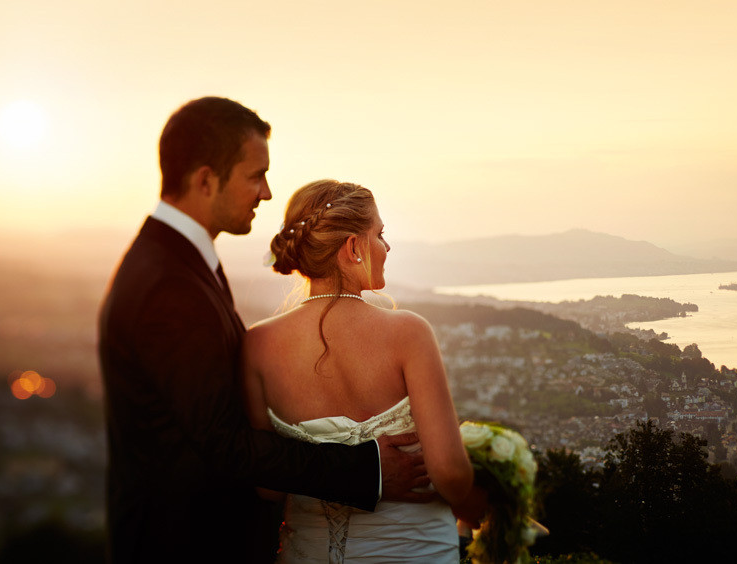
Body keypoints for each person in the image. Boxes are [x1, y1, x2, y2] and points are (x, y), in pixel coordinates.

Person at [97, 98, 429, 563]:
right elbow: (224, 445)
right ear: (206, 179)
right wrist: (367, 468)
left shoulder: (178, 262)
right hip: (185, 545)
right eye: (256, 176)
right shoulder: (167, 285)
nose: (267, 193)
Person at [241, 179, 481, 563]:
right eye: (380, 235)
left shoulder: (255, 345)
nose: (387, 247)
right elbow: (450, 475)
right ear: (353, 247)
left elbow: (268, 487)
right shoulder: (409, 333)